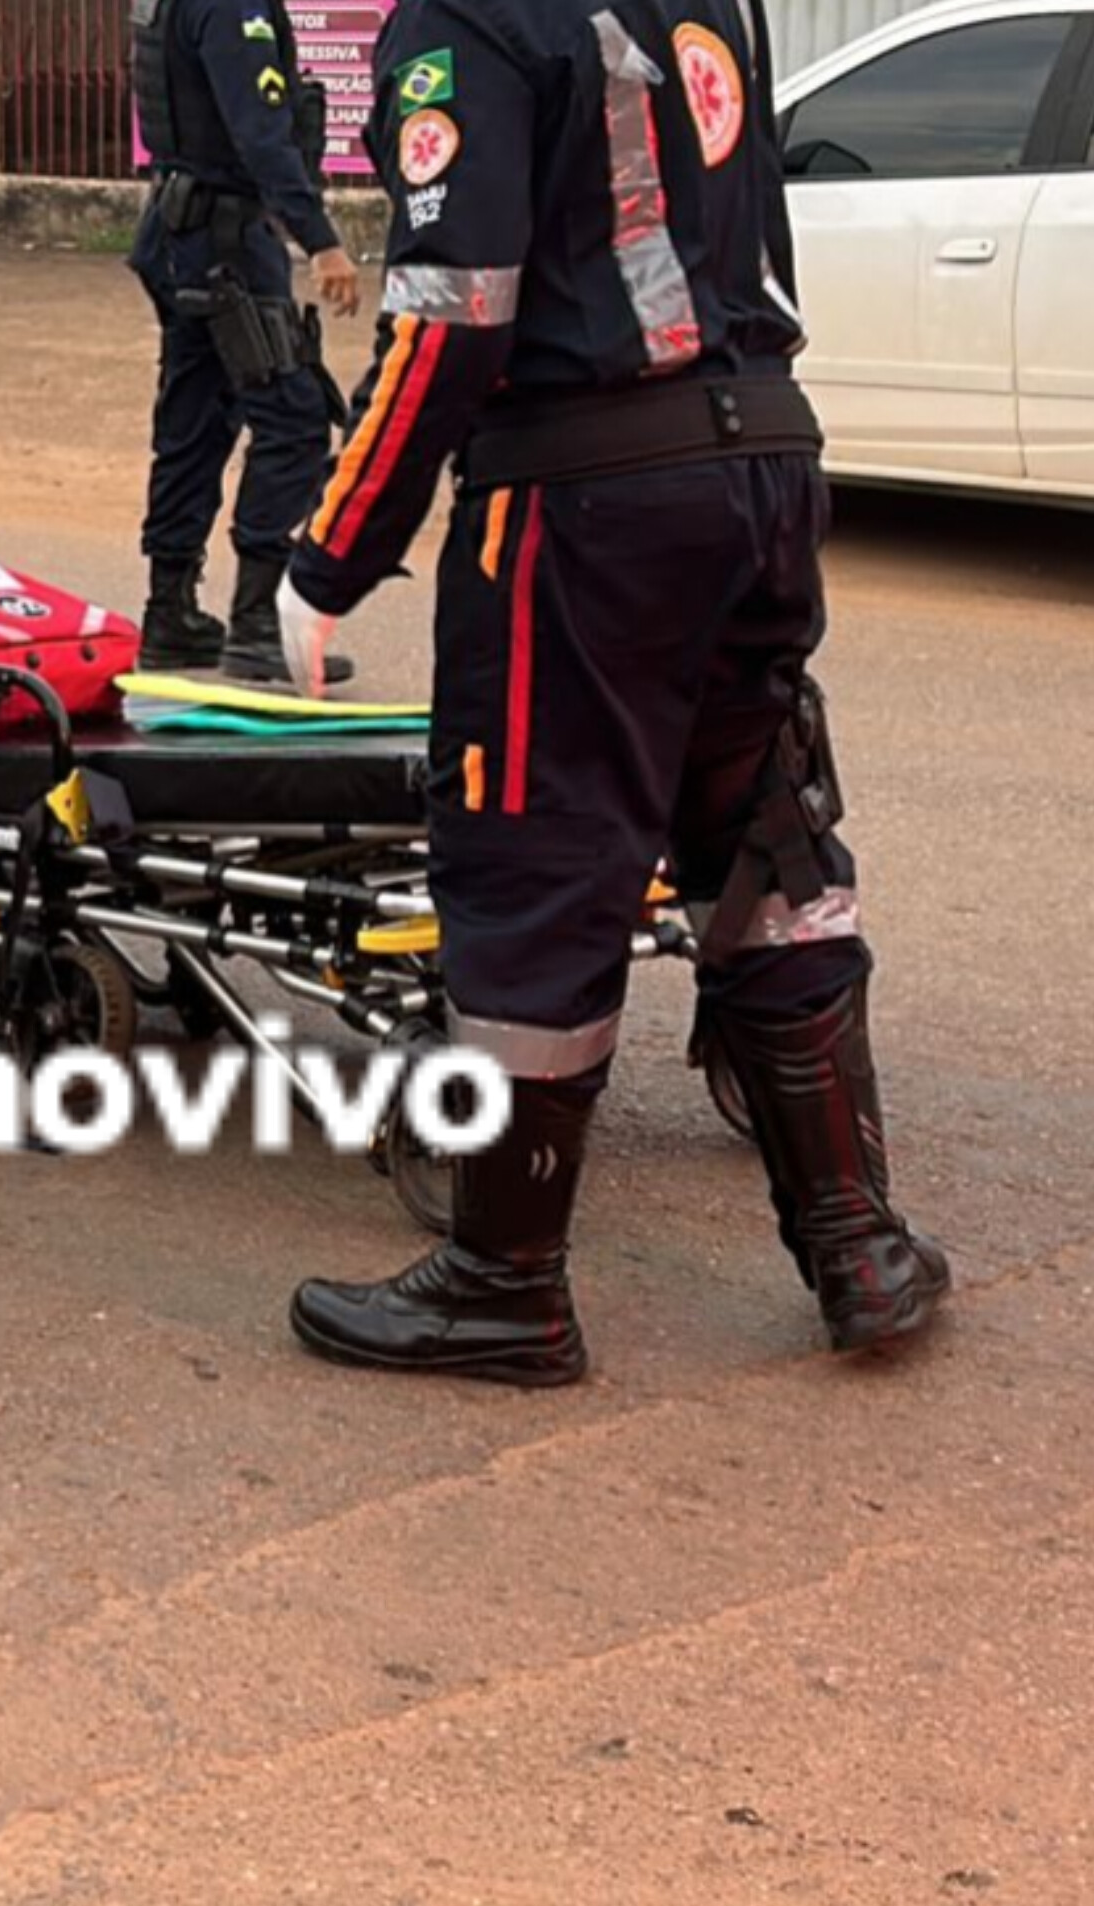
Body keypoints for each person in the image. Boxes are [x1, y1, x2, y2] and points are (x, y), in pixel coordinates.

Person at [273, 0, 949, 1384]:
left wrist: (329, 554)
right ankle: (858, 1245)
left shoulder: (461, 25)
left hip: (589, 500)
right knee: (763, 835)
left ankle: (503, 1285)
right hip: (760, 457)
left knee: (535, 860)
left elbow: (456, 316)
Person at [128, 0, 364, 684]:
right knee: (292, 418)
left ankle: (169, 615)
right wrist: (319, 239)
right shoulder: (234, 6)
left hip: (180, 233)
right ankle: (258, 623)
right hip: (227, 245)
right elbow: (260, 133)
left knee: (194, 424)